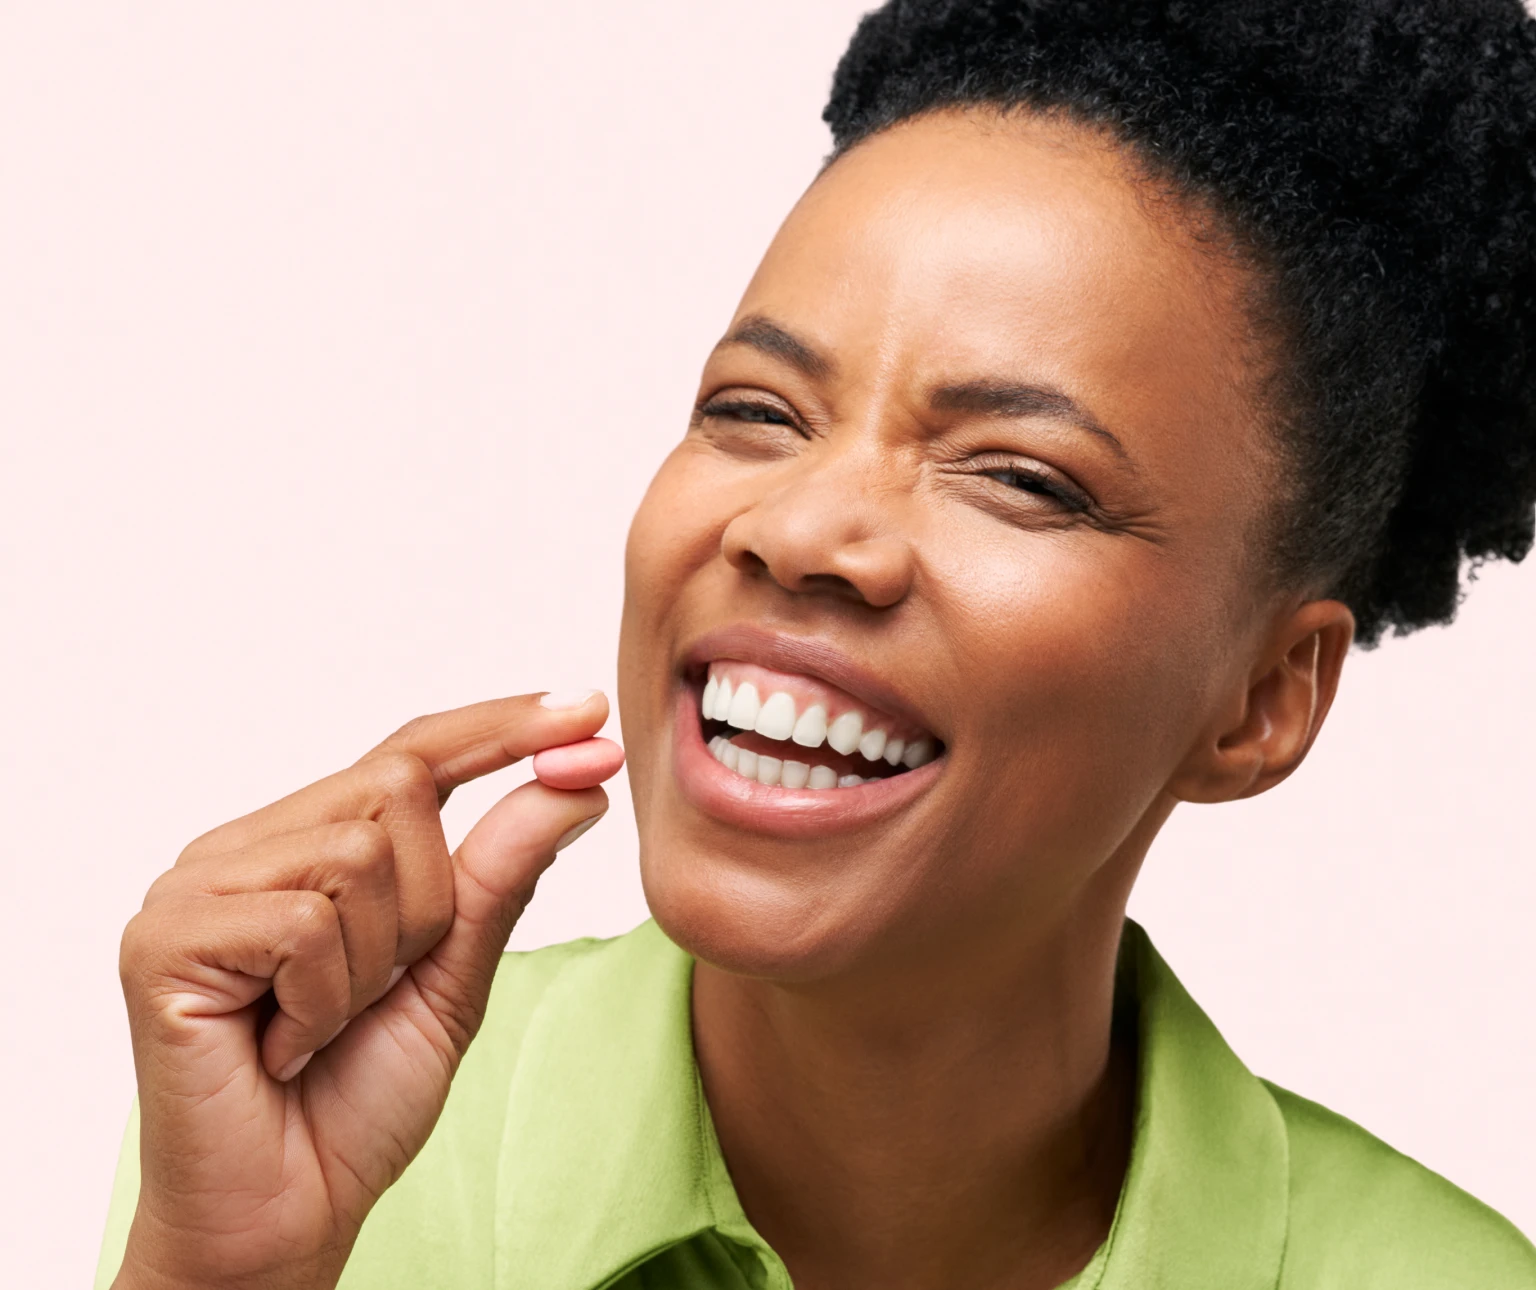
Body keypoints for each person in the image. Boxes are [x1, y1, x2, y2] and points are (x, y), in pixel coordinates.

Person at [97, 1, 1536, 1287]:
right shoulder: (336, 1131)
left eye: (1022, 476)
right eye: (757, 411)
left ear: (1262, 699)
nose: (804, 529)